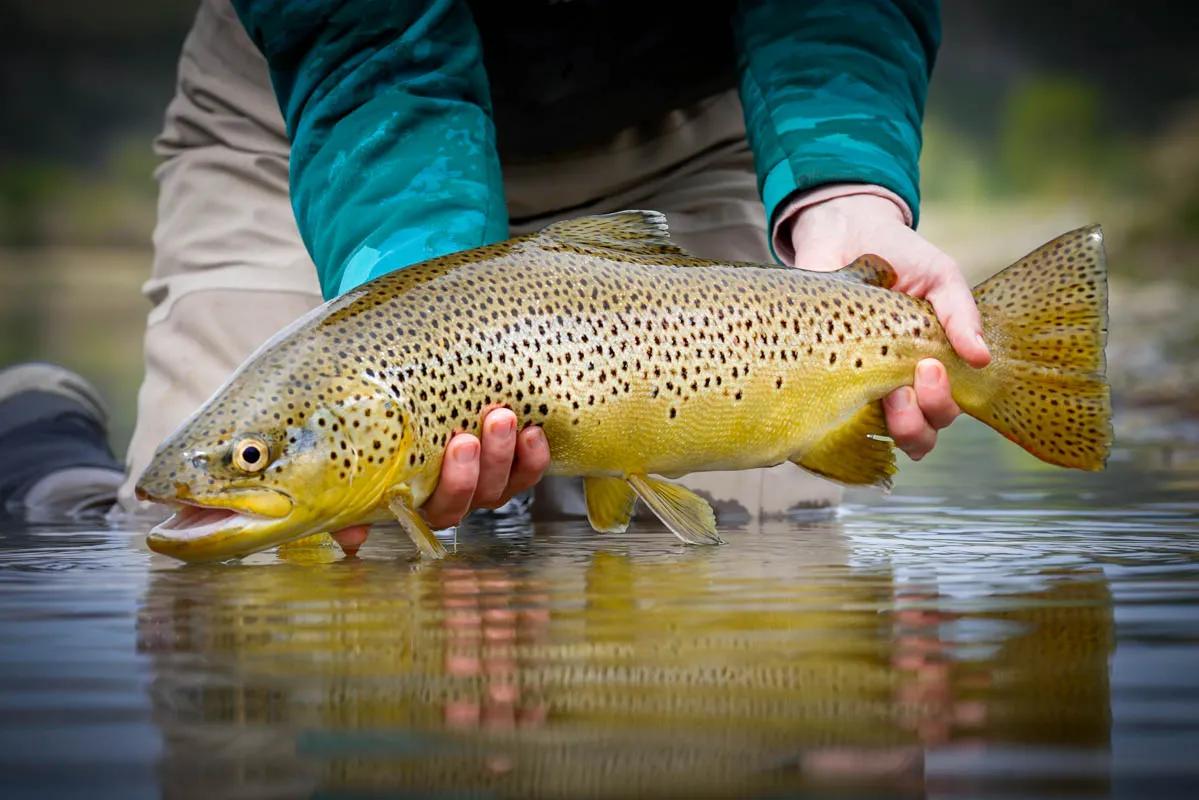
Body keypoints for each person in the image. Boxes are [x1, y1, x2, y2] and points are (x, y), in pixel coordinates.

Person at [0, 0, 988, 551]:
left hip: (694, 116)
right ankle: (46, 456)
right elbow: (366, 44)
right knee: (221, 560)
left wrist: (841, 192)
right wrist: (436, 314)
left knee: (766, 560)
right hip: (324, 115)